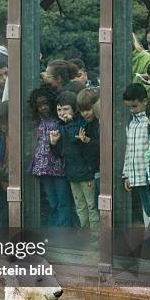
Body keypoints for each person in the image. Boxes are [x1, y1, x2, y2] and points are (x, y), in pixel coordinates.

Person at [49, 91, 100, 229]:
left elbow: (77, 141)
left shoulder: (82, 123)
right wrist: (54, 143)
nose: (62, 113)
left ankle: (96, 235)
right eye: (59, 109)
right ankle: (86, 233)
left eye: (65, 109)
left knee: (92, 206)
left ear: (74, 109)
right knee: (80, 207)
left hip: (87, 172)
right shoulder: (61, 126)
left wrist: (71, 123)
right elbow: (61, 153)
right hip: (72, 173)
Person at [28, 85, 74, 227]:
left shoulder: (59, 120)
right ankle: (54, 231)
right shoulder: (38, 121)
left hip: (60, 167)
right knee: (52, 201)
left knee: (63, 202)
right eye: (39, 105)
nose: (43, 108)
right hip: (43, 167)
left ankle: (62, 232)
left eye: (46, 103)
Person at [122, 83, 150, 225]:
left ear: (145, 101)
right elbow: (129, 149)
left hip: (149, 176)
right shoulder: (131, 123)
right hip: (135, 176)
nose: (132, 110)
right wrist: (127, 175)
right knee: (149, 211)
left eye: (134, 106)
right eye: (129, 107)